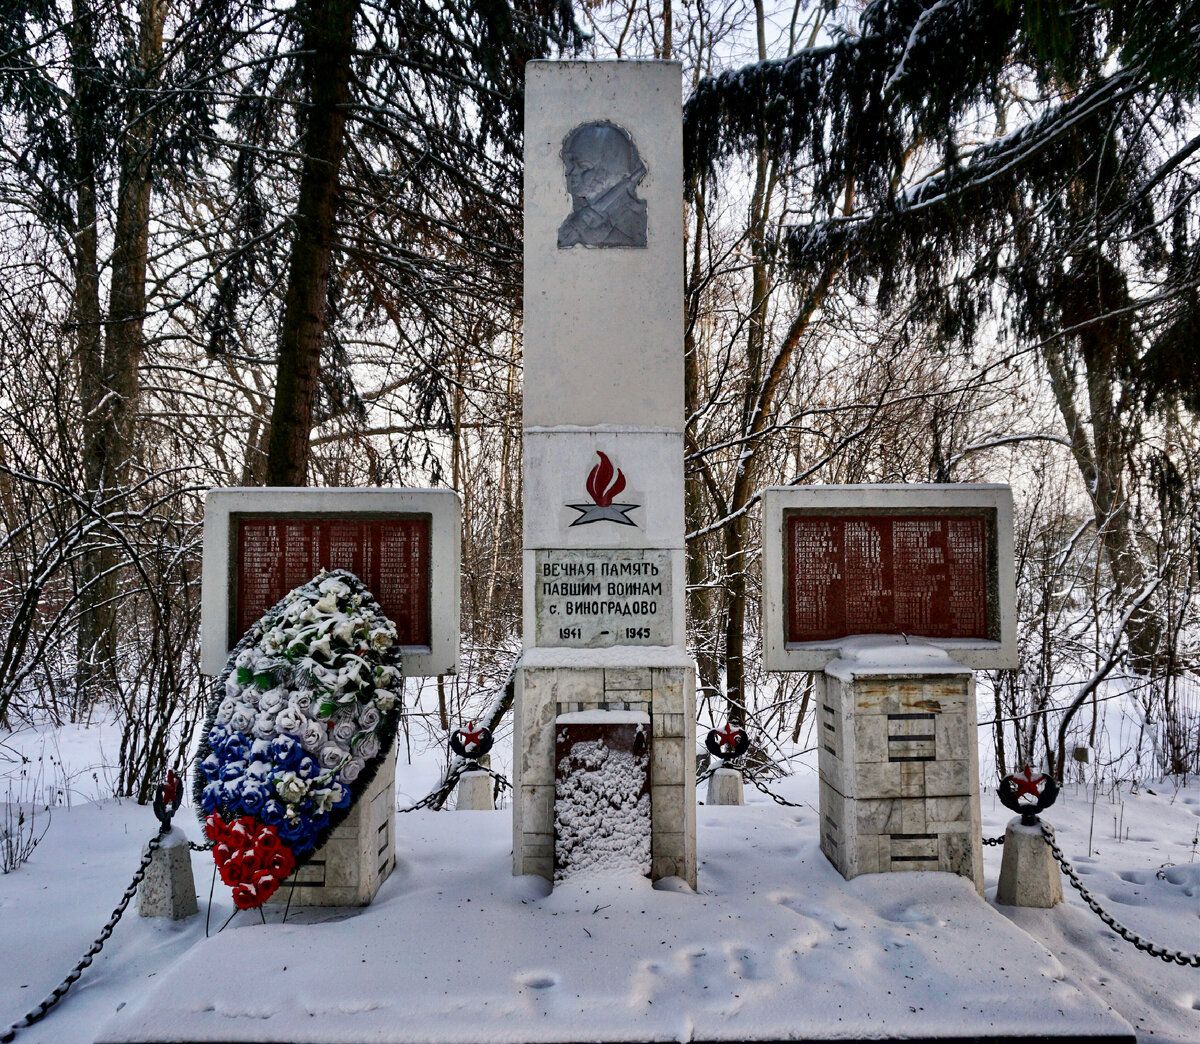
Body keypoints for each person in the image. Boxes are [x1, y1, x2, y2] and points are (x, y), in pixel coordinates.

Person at [557, 121, 647, 248]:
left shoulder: (634, 217)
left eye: (583, 166)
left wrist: (608, 234)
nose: (570, 172)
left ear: (611, 171)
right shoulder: (572, 212)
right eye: (571, 164)